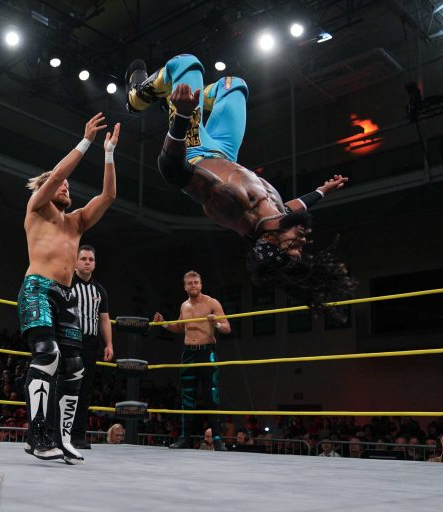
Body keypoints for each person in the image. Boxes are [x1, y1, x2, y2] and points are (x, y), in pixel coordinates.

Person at [126, 55, 354, 307]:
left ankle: (138, 96)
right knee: (234, 86)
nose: (301, 242)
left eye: (293, 248)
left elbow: (172, 169)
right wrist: (321, 191)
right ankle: (178, 96)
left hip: (194, 150)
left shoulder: (232, 205)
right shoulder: (275, 216)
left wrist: (181, 116)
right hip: (225, 151)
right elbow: (294, 208)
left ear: (270, 241)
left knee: (187, 65)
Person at [18, 113, 120, 464]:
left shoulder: (76, 223)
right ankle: (37, 435)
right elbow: (59, 175)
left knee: (75, 366)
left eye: (67, 188)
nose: (66, 188)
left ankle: (63, 438)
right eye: (61, 186)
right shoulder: (36, 209)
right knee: (47, 354)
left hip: (66, 295)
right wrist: (86, 140)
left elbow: (108, 195)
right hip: (37, 288)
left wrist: (108, 153)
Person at [153, 270, 230, 450]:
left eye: (196, 282)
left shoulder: (212, 303)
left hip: (207, 352)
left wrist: (216, 323)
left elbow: (227, 328)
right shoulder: (184, 306)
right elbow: (180, 327)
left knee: (211, 395)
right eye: (190, 283)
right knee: (187, 396)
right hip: (188, 353)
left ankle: (217, 440)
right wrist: (163, 323)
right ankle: (184, 438)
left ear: (201, 284)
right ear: (185, 287)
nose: (193, 285)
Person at [70, 244, 114, 450]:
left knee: (85, 389)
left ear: (95, 264)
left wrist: (109, 344)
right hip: (68, 341)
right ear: (76, 261)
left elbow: (104, 319)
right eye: (84, 259)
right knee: (64, 385)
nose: (87, 262)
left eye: (91, 259)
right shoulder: (66, 283)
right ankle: (56, 432)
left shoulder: (99, 290)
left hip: (90, 343)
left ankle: (78, 435)